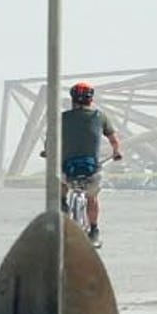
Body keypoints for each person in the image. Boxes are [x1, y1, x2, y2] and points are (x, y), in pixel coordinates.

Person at [47, 82, 125, 244]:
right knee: (92, 198)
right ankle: (94, 230)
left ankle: (63, 203)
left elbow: (50, 140)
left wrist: (47, 151)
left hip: (68, 169)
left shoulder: (62, 118)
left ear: (72, 99)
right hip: (92, 170)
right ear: (91, 99)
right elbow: (114, 140)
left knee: (62, 184)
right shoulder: (100, 117)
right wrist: (117, 152)